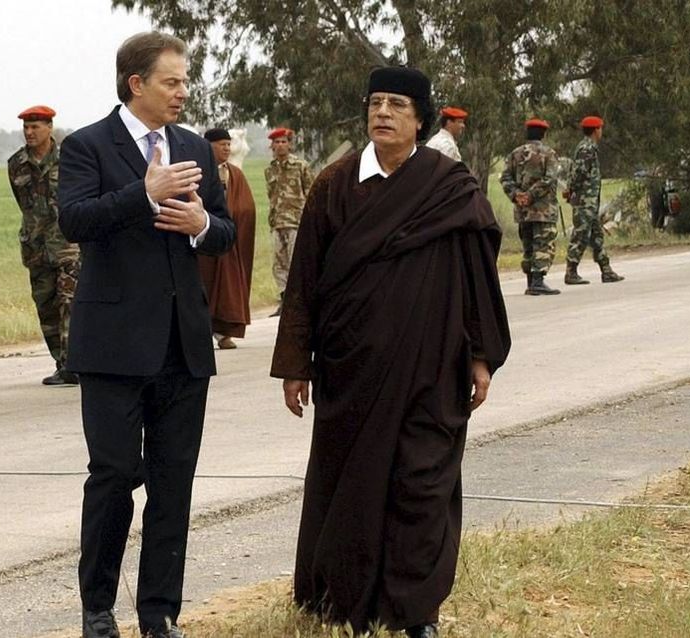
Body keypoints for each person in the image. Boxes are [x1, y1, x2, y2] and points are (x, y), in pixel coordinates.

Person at [271, 66, 511, 638]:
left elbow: (478, 279)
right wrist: (294, 364)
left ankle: (417, 611)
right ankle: (340, 595)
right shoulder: (334, 185)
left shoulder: (449, 187)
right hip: (351, 368)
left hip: (433, 365)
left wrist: (481, 355)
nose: (383, 113)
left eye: (397, 105)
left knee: (422, 483)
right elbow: (303, 281)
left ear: (420, 119)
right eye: (375, 103)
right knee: (352, 481)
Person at [57, 31, 236, 638]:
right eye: (173, 82)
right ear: (137, 84)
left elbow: (226, 231)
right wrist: (145, 193)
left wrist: (201, 223)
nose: (184, 92)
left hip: (182, 346)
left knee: (173, 484)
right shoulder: (87, 146)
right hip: (112, 347)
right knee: (111, 476)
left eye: (185, 81)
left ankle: (160, 613)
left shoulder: (193, 148)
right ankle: (98, 609)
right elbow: (75, 219)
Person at [7, 105, 81, 385]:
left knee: (69, 303)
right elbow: (22, 203)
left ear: (50, 128)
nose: (29, 132)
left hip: (68, 243)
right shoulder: (16, 164)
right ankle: (61, 362)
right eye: (26, 127)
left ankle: (74, 364)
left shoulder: (70, 159)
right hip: (35, 247)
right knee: (46, 306)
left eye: (35, 127)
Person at [198, 128, 256, 349]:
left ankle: (223, 333)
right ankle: (202, 331)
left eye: (228, 144)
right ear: (208, 146)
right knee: (203, 284)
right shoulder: (198, 171)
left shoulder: (235, 173)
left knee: (228, 286)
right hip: (203, 240)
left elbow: (246, 206)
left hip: (227, 240)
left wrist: (233, 216)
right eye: (221, 144)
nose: (227, 148)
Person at [500, 118, 562, 295]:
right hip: (543, 210)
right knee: (543, 244)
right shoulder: (548, 154)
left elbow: (505, 178)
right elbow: (550, 179)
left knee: (528, 246)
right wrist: (531, 195)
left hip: (523, 211)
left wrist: (516, 195)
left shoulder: (515, 154)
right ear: (543, 134)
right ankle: (537, 281)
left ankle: (531, 281)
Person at [564, 115, 624, 284]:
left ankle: (606, 270)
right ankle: (571, 271)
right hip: (584, 200)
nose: (601, 132)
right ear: (596, 130)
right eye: (600, 128)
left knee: (597, 235)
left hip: (590, 201)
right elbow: (579, 173)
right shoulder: (586, 149)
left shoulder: (589, 147)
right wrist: (571, 190)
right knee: (581, 234)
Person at [264, 127, 314, 317]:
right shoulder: (270, 169)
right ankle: (284, 300)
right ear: (272, 146)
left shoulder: (300, 166)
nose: (280, 145)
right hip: (277, 222)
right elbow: (271, 196)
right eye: (277, 142)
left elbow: (310, 191)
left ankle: (299, 302)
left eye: (284, 141)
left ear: (290, 144)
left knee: (296, 262)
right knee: (279, 264)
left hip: (296, 221)